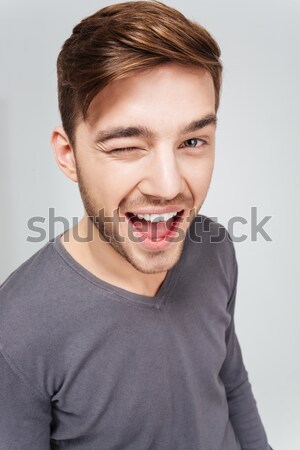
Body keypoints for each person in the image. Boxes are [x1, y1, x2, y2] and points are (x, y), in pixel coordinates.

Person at [0, 1, 273, 449]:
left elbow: (232, 385)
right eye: (127, 146)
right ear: (68, 155)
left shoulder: (216, 248)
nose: (168, 186)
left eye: (192, 141)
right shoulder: (16, 329)